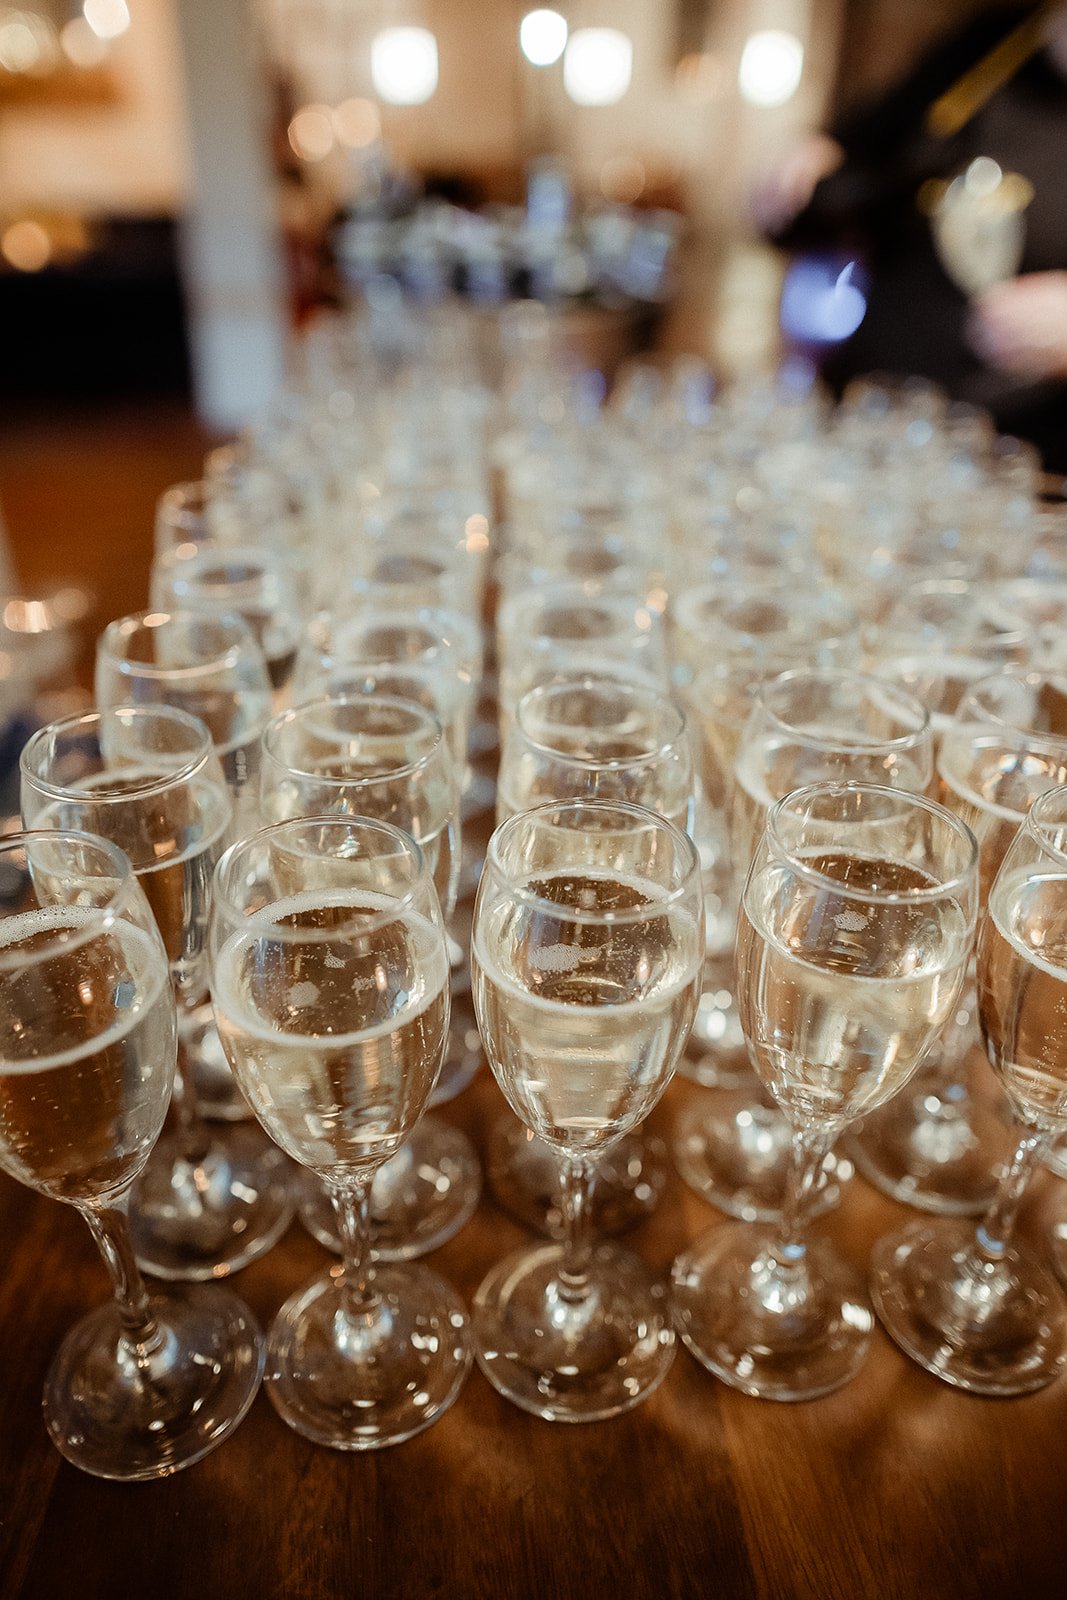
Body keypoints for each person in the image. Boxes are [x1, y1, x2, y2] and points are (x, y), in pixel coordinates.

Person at [756, 3, 1067, 467]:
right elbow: (857, 150)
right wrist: (808, 163)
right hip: (877, 421)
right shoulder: (992, 43)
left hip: (1029, 467)